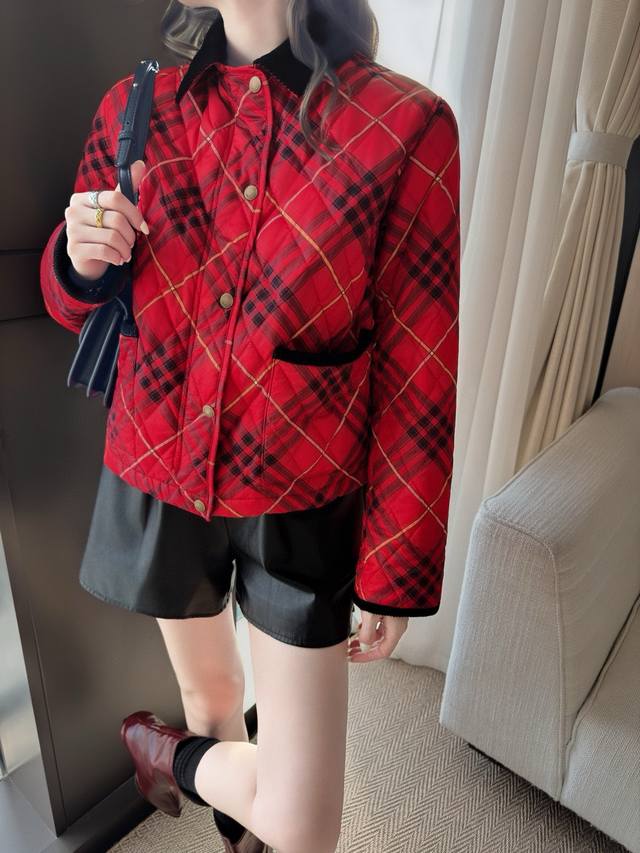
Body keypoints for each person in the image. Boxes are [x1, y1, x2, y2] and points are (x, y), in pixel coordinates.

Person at [39, 1, 460, 851]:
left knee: (305, 824)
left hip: (302, 485)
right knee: (213, 700)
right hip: (160, 463)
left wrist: (394, 566)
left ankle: (165, 754)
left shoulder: (404, 126)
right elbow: (70, 303)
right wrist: (76, 259)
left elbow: (421, 365)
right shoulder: (136, 108)